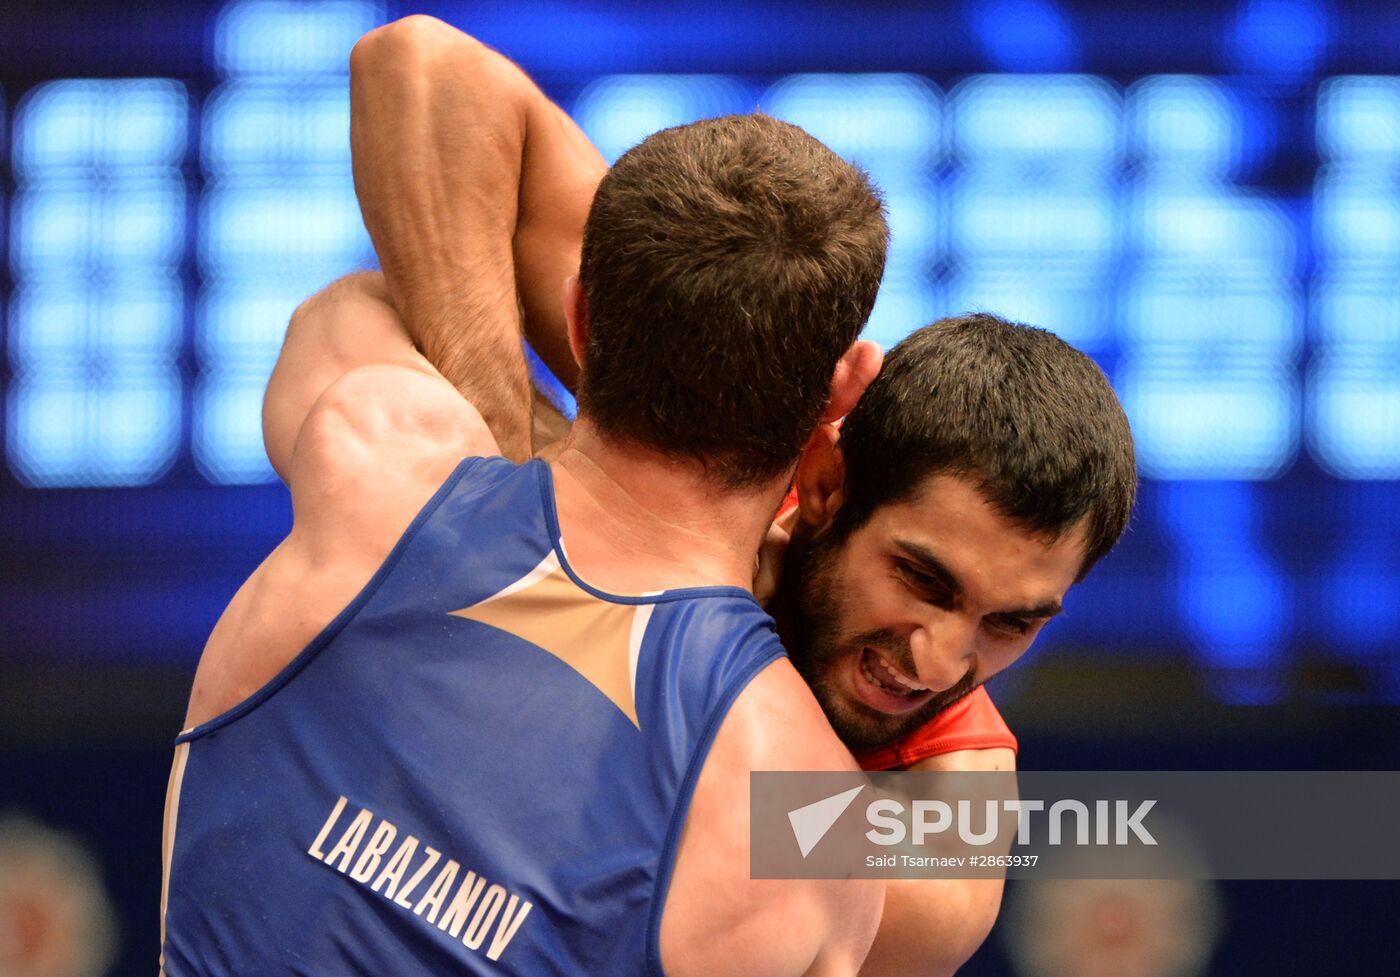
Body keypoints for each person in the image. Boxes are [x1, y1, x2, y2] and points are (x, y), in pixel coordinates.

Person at [339, 17, 1138, 977]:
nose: (940, 660)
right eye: (922, 578)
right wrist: (515, 485)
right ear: (826, 475)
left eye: (1012, 621)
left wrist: (530, 511)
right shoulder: (719, 432)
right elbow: (421, 66)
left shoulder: (951, 829)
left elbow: (679, 816)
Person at [158, 15, 891, 977]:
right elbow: (1000, 861)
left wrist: (511, 468)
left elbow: (417, 60)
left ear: (583, 317)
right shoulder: (804, 806)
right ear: (843, 393)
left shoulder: (380, 456)